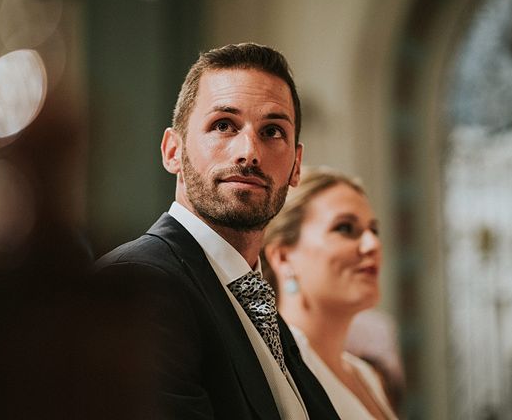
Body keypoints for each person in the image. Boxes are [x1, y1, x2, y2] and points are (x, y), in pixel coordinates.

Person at [97, 43, 340, 419]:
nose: (249, 153)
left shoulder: (262, 307)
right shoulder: (137, 285)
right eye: (223, 125)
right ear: (173, 151)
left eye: (273, 131)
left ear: (296, 166)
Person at [263, 166, 399, 419]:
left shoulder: (365, 375)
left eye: (374, 230)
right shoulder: (274, 370)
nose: (373, 245)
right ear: (282, 257)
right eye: (345, 228)